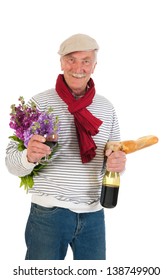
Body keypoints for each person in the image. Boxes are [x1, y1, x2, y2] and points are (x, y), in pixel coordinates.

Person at [5, 33, 126, 260]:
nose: (78, 67)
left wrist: (118, 163)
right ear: (61, 62)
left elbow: (112, 160)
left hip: (94, 217)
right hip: (48, 216)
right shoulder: (39, 104)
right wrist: (28, 157)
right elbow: (11, 163)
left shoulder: (106, 108)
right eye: (71, 59)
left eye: (86, 61)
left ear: (94, 66)